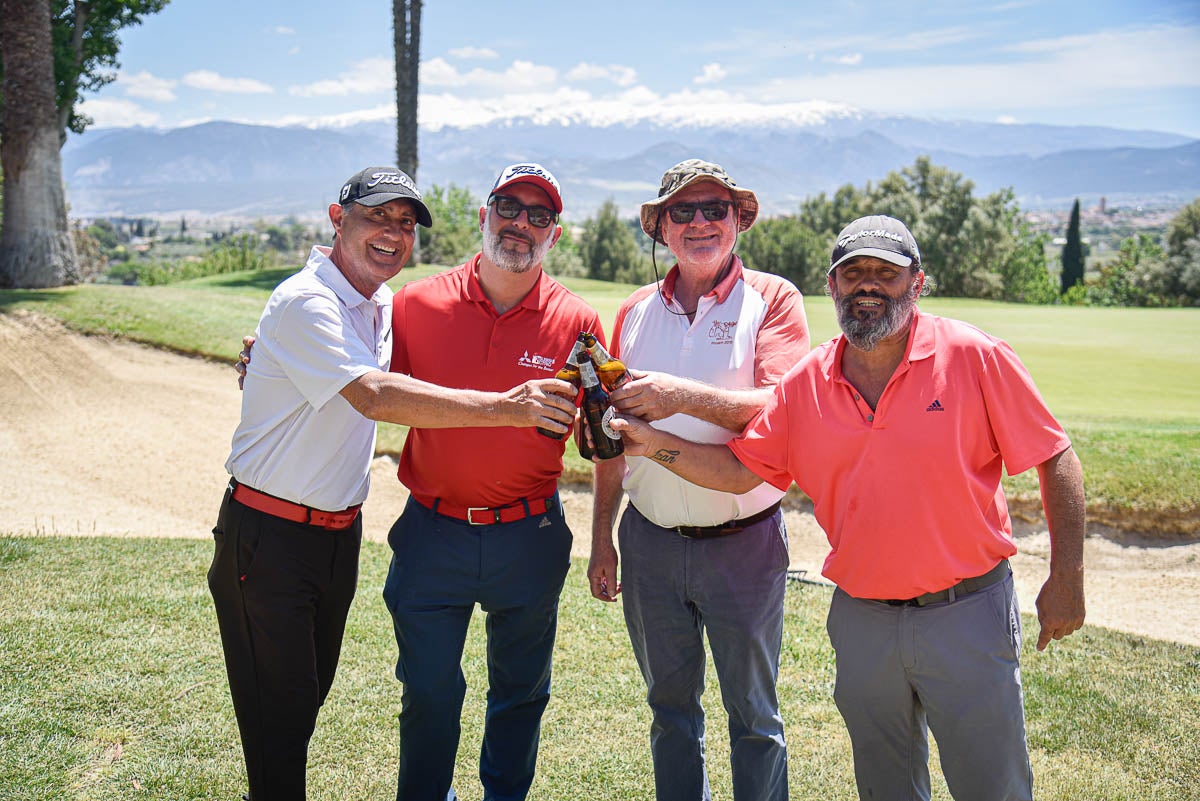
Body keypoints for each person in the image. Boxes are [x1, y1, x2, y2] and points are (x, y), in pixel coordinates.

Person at [612, 214, 1087, 801]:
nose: (868, 286)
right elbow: (740, 472)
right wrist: (648, 442)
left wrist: (1067, 575)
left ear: (917, 283)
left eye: (885, 273)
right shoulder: (808, 381)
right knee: (885, 788)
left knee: (992, 788)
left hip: (964, 610)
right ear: (832, 287)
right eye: (853, 272)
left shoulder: (972, 354)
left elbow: (1055, 454)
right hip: (862, 621)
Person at [211, 165, 579, 801]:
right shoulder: (328, 303)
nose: (392, 233)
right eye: (377, 216)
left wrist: (263, 349)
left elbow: (596, 422)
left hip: (349, 535)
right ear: (337, 218)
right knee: (292, 711)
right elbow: (375, 391)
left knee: (302, 700)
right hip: (279, 532)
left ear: (554, 231)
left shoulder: (378, 305)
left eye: (404, 223)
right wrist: (508, 405)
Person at [587, 159, 810, 801]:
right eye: (681, 212)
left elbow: (782, 406)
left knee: (755, 718)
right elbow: (610, 440)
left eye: (715, 208)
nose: (700, 222)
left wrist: (675, 397)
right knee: (670, 712)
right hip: (650, 541)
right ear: (660, 227)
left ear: (738, 219)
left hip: (744, 542)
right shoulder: (632, 311)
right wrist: (603, 537)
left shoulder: (773, 299)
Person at [380, 163, 604, 801]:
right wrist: (272, 350)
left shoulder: (578, 323)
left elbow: (601, 442)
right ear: (484, 216)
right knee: (428, 688)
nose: (521, 224)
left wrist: (604, 538)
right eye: (509, 206)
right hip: (432, 532)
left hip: (529, 535)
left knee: (521, 690)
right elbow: (361, 382)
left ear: (554, 236)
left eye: (539, 216)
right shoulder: (415, 305)